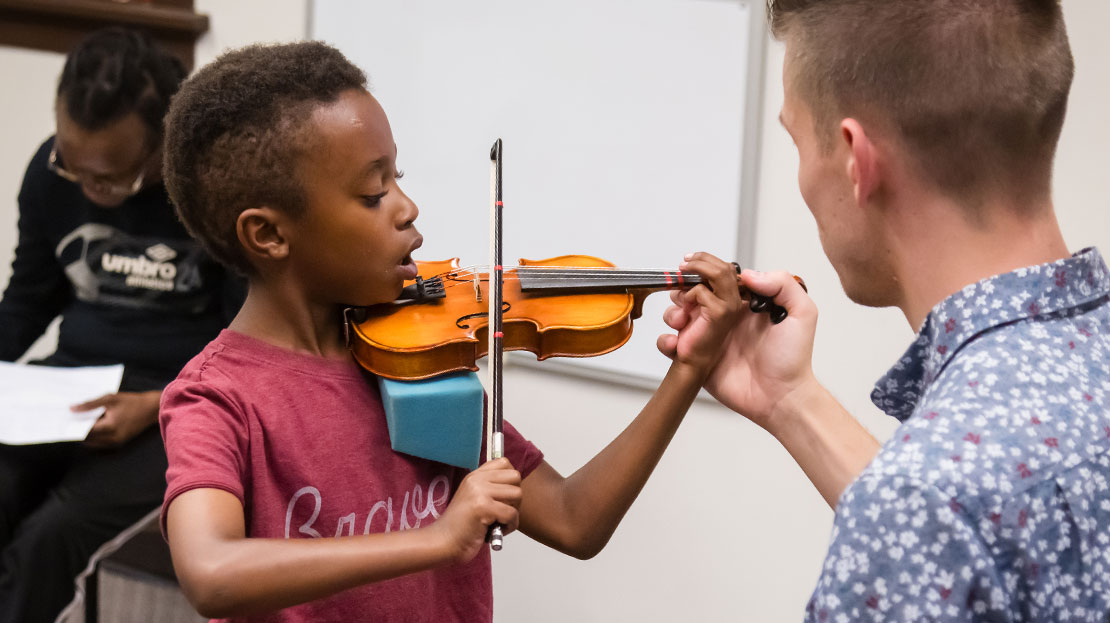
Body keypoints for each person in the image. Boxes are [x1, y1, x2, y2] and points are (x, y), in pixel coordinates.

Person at [157, 40, 740, 622]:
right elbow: (211, 573)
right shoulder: (217, 398)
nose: (407, 207)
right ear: (268, 235)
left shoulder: (416, 357)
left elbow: (572, 519)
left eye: (398, 177)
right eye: (372, 193)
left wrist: (689, 368)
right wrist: (439, 538)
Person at [660, 0, 1109, 619]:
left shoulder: (925, 501)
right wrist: (791, 399)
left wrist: (903, 502)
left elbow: (938, 513)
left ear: (854, 160)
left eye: (796, 139)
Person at [0, 28, 239, 622]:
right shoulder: (51, 174)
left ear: (165, 141)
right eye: (73, 167)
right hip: (68, 390)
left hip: (182, 401)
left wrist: (152, 403)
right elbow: (28, 299)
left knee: (52, 538)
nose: (89, 190)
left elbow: (248, 348)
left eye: (111, 179)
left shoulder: (217, 191)